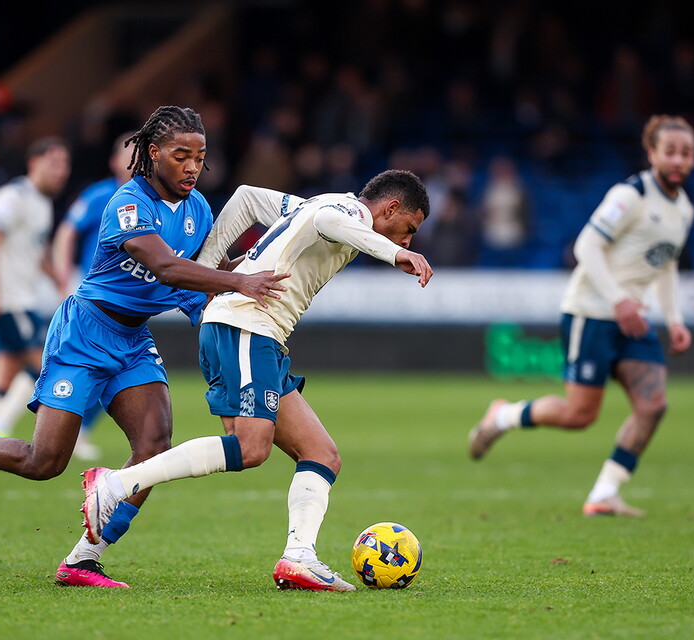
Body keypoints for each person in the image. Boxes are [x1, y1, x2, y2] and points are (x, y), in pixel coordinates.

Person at [0, 106, 288, 589]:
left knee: (154, 445)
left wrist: (233, 338)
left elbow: (195, 287)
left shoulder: (198, 209)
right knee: (44, 462)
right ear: (153, 153)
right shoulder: (127, 203)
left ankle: (83, 558)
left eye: (200, 157)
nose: (192, 167)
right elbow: (165, 267)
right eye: (181, 155)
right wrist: (239, 280)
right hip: (85, 333)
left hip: (134, 339)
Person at [78, 169, 433, 591]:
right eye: (408, 229)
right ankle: (115, 483)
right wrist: (395, 255)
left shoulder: (313, 202)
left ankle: (299, 557)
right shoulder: (345, 211)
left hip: (250, 333)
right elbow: (333, 225)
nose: (408, 240)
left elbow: (246, 197)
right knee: (251, 447)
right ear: (390, 209)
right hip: (249, 329)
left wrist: (206, 267)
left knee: (321, 453)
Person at [468, 115, 694, 517]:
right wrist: (618, 300)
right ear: (652, 154)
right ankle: (502, 415)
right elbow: (587, 246)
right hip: (592, 311)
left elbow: (665, 265)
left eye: (687, 153)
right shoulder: (631, 195)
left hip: (634, 319)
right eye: (671, 151)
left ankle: (605, 492)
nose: (679, 159)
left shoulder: (685, 210)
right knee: (579, 416)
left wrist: (675, 319)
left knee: (653, 405)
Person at [0, 137, 71, 439]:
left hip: (20, 298)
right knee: (47, 361)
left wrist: (56, 278)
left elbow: (36, 247)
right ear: (34, 163)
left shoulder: (42, 203)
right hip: (9, 298)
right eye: (54, 164)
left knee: (6, 367)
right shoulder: (12, 196)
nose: (60, 172)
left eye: (65, 166)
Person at [51, 131, 136, 460]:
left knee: (111, 369)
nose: (134, 164)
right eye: (128, 157)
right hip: (94, 302)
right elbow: (66, 232)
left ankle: (74, 431)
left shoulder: (154, 201)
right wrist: (63, 278)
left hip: (125, 306)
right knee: (93, 368)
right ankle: (60, 429)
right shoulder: (101, 195)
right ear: (114, 161)